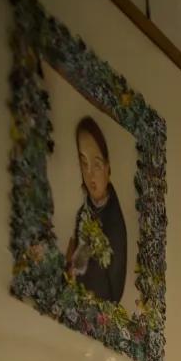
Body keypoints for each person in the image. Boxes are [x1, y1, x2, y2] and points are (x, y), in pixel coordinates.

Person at [65, 116, 127, 305]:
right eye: (84, 163)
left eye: (97, 164)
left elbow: (113, 291)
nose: (90, 173)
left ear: (108, 168)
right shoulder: (82, 215)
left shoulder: (114, 224)